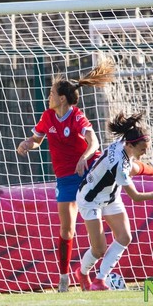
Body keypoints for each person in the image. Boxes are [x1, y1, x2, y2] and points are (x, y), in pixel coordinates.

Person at [17, 60, 116, 292]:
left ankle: (96, 272)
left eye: (51, 93)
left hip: (89, 174)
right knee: (67, 229)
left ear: (62, 98)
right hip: (65, 178)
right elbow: (37, 140)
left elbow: (94, 142)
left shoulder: (77, 117)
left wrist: (85, 156)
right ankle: (64, 277)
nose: (48, 96)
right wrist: (27, 143)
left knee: (105, 225)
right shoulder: (48, 116)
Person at [75, 112, 153, 291]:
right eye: (142, 149)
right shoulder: (119, 165)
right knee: (99, 249)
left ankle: (99, 280)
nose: (144, 153)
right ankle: (83, 273)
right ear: (130, 145)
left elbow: (136, 167)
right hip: (90, 199)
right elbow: (136, 197)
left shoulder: (123, 146)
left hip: (110, 196)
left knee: (125, 237)